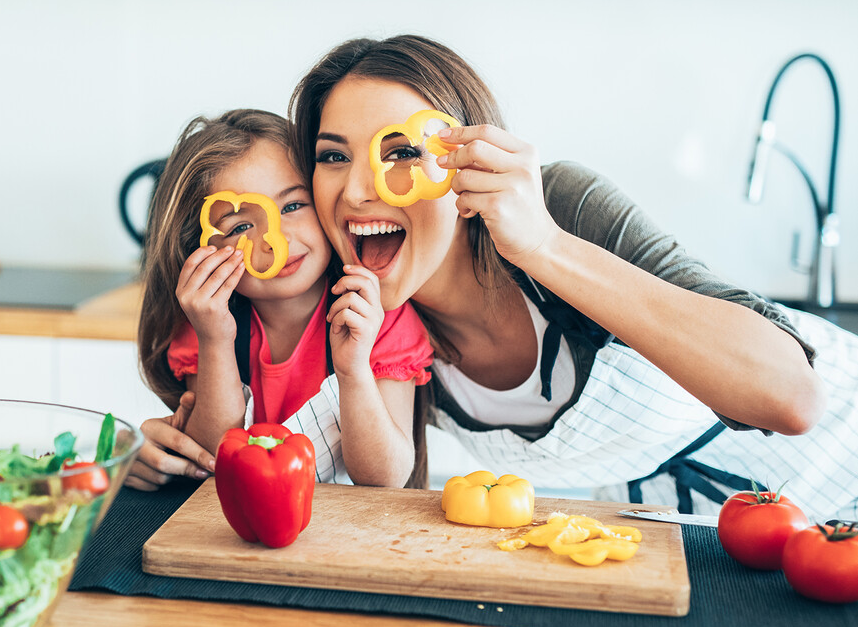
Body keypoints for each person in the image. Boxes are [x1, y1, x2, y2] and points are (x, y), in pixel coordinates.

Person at [132, 37, 858, 522]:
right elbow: (277, 452)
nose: (357, 191)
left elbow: (789, 396)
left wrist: (540, 243)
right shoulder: (363, 320)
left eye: (401, 152)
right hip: (710, 544)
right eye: (329, 156)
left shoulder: (559, 209)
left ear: (467, 160)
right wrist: (169, 452)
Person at [128, 109, 433, 491]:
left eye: (292, 206)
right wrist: (216, 338)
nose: (277, 239)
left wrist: (353, 369)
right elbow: (208, 457)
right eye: (241, 226)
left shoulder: (377, 316)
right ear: (201, 248)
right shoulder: (206, 324)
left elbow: (384, 477)